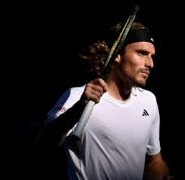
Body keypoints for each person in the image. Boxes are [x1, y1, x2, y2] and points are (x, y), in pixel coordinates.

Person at [35, 22, 171, 180]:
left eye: (152, 56)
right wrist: (79, 108)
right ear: (117, 55)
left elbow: (154, 161)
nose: (150, 64)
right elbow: (42, 146)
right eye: (142, 53)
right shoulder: (77, 96)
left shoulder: (149, 101)